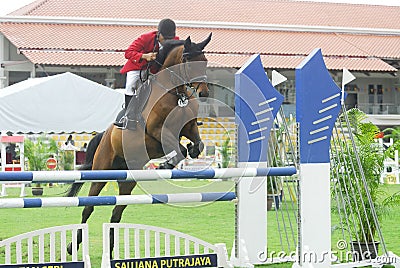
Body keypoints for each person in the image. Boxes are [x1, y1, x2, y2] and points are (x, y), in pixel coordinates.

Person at [115, 18, 179, 130]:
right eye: (165, 38)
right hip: (138, 67)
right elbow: (128, 53)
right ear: (159, 34)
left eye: (170, 39)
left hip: (156, 69)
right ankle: (128, 117)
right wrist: (145, 56)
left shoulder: (175, 40)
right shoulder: (146, 38)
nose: (168, 41)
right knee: (131, 85)